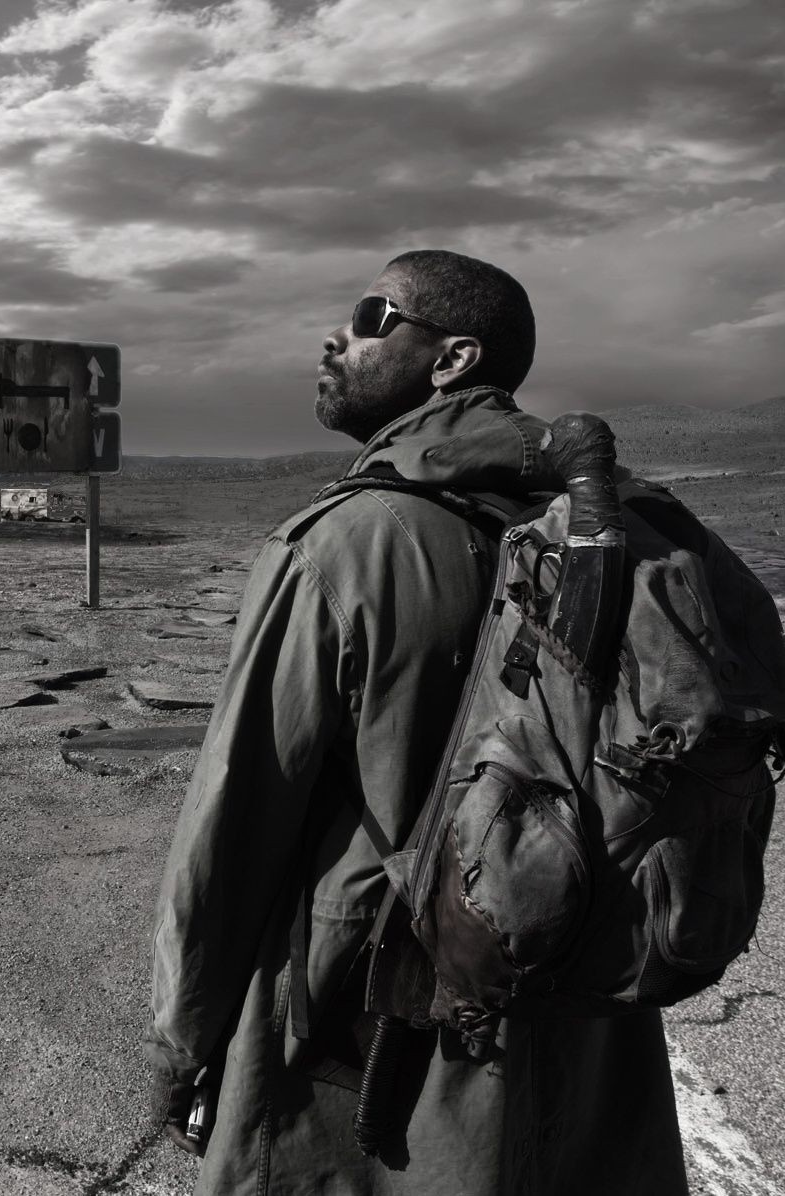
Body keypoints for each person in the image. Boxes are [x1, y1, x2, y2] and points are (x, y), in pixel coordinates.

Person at [145, 250, 687, 1194]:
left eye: (370, 315)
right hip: (587, 1014)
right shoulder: (621, 531)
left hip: (378, 1029)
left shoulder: (348, 542)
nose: (337, 336)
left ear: (453, 359)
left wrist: (184, 1036)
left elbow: (237, 823)